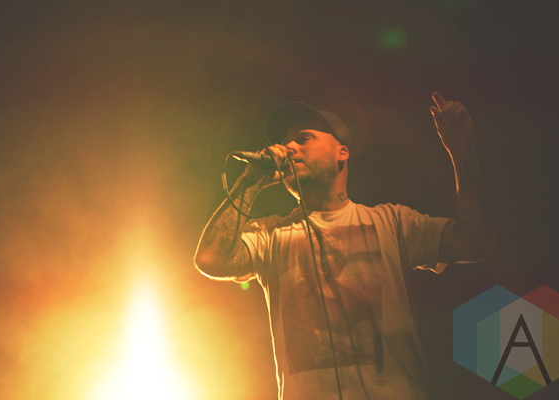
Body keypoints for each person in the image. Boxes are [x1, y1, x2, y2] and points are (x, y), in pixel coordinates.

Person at [194, 93, 493, 400]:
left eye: (303, 138)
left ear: (342, 152)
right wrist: (251, 180)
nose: (289, 148)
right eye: (285, 143)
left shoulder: (391, 223)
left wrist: (462, 151)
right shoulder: (271, 235)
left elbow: (475, 243)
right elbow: (211, 259)